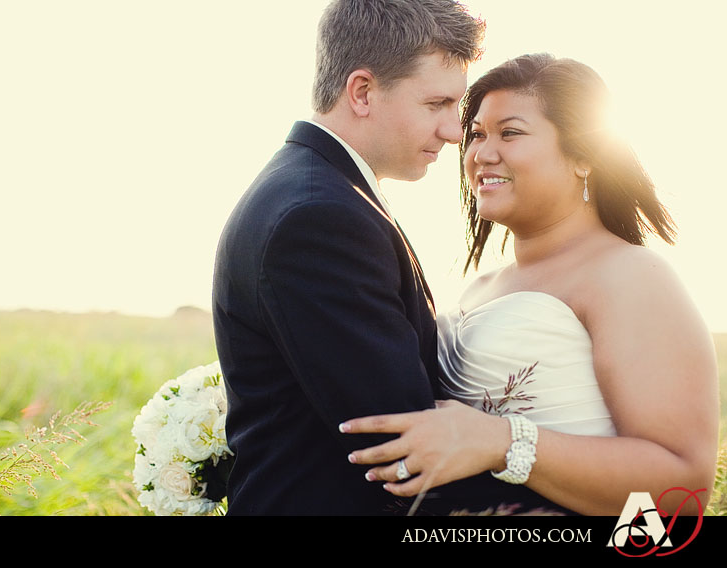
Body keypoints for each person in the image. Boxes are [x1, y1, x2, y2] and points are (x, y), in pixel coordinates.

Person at [340, 53, 720, 516]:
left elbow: (684, 487)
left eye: (510, 133)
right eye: (476, 134)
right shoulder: (477, 287)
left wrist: (503, 443)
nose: (482, 153)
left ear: (584, 157)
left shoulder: (631, 276)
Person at [211, 0, 485, 515]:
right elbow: (402, 442)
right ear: (362, 92)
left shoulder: (313, 189)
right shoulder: (318, 216)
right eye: (436, 104)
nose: (454, 130)